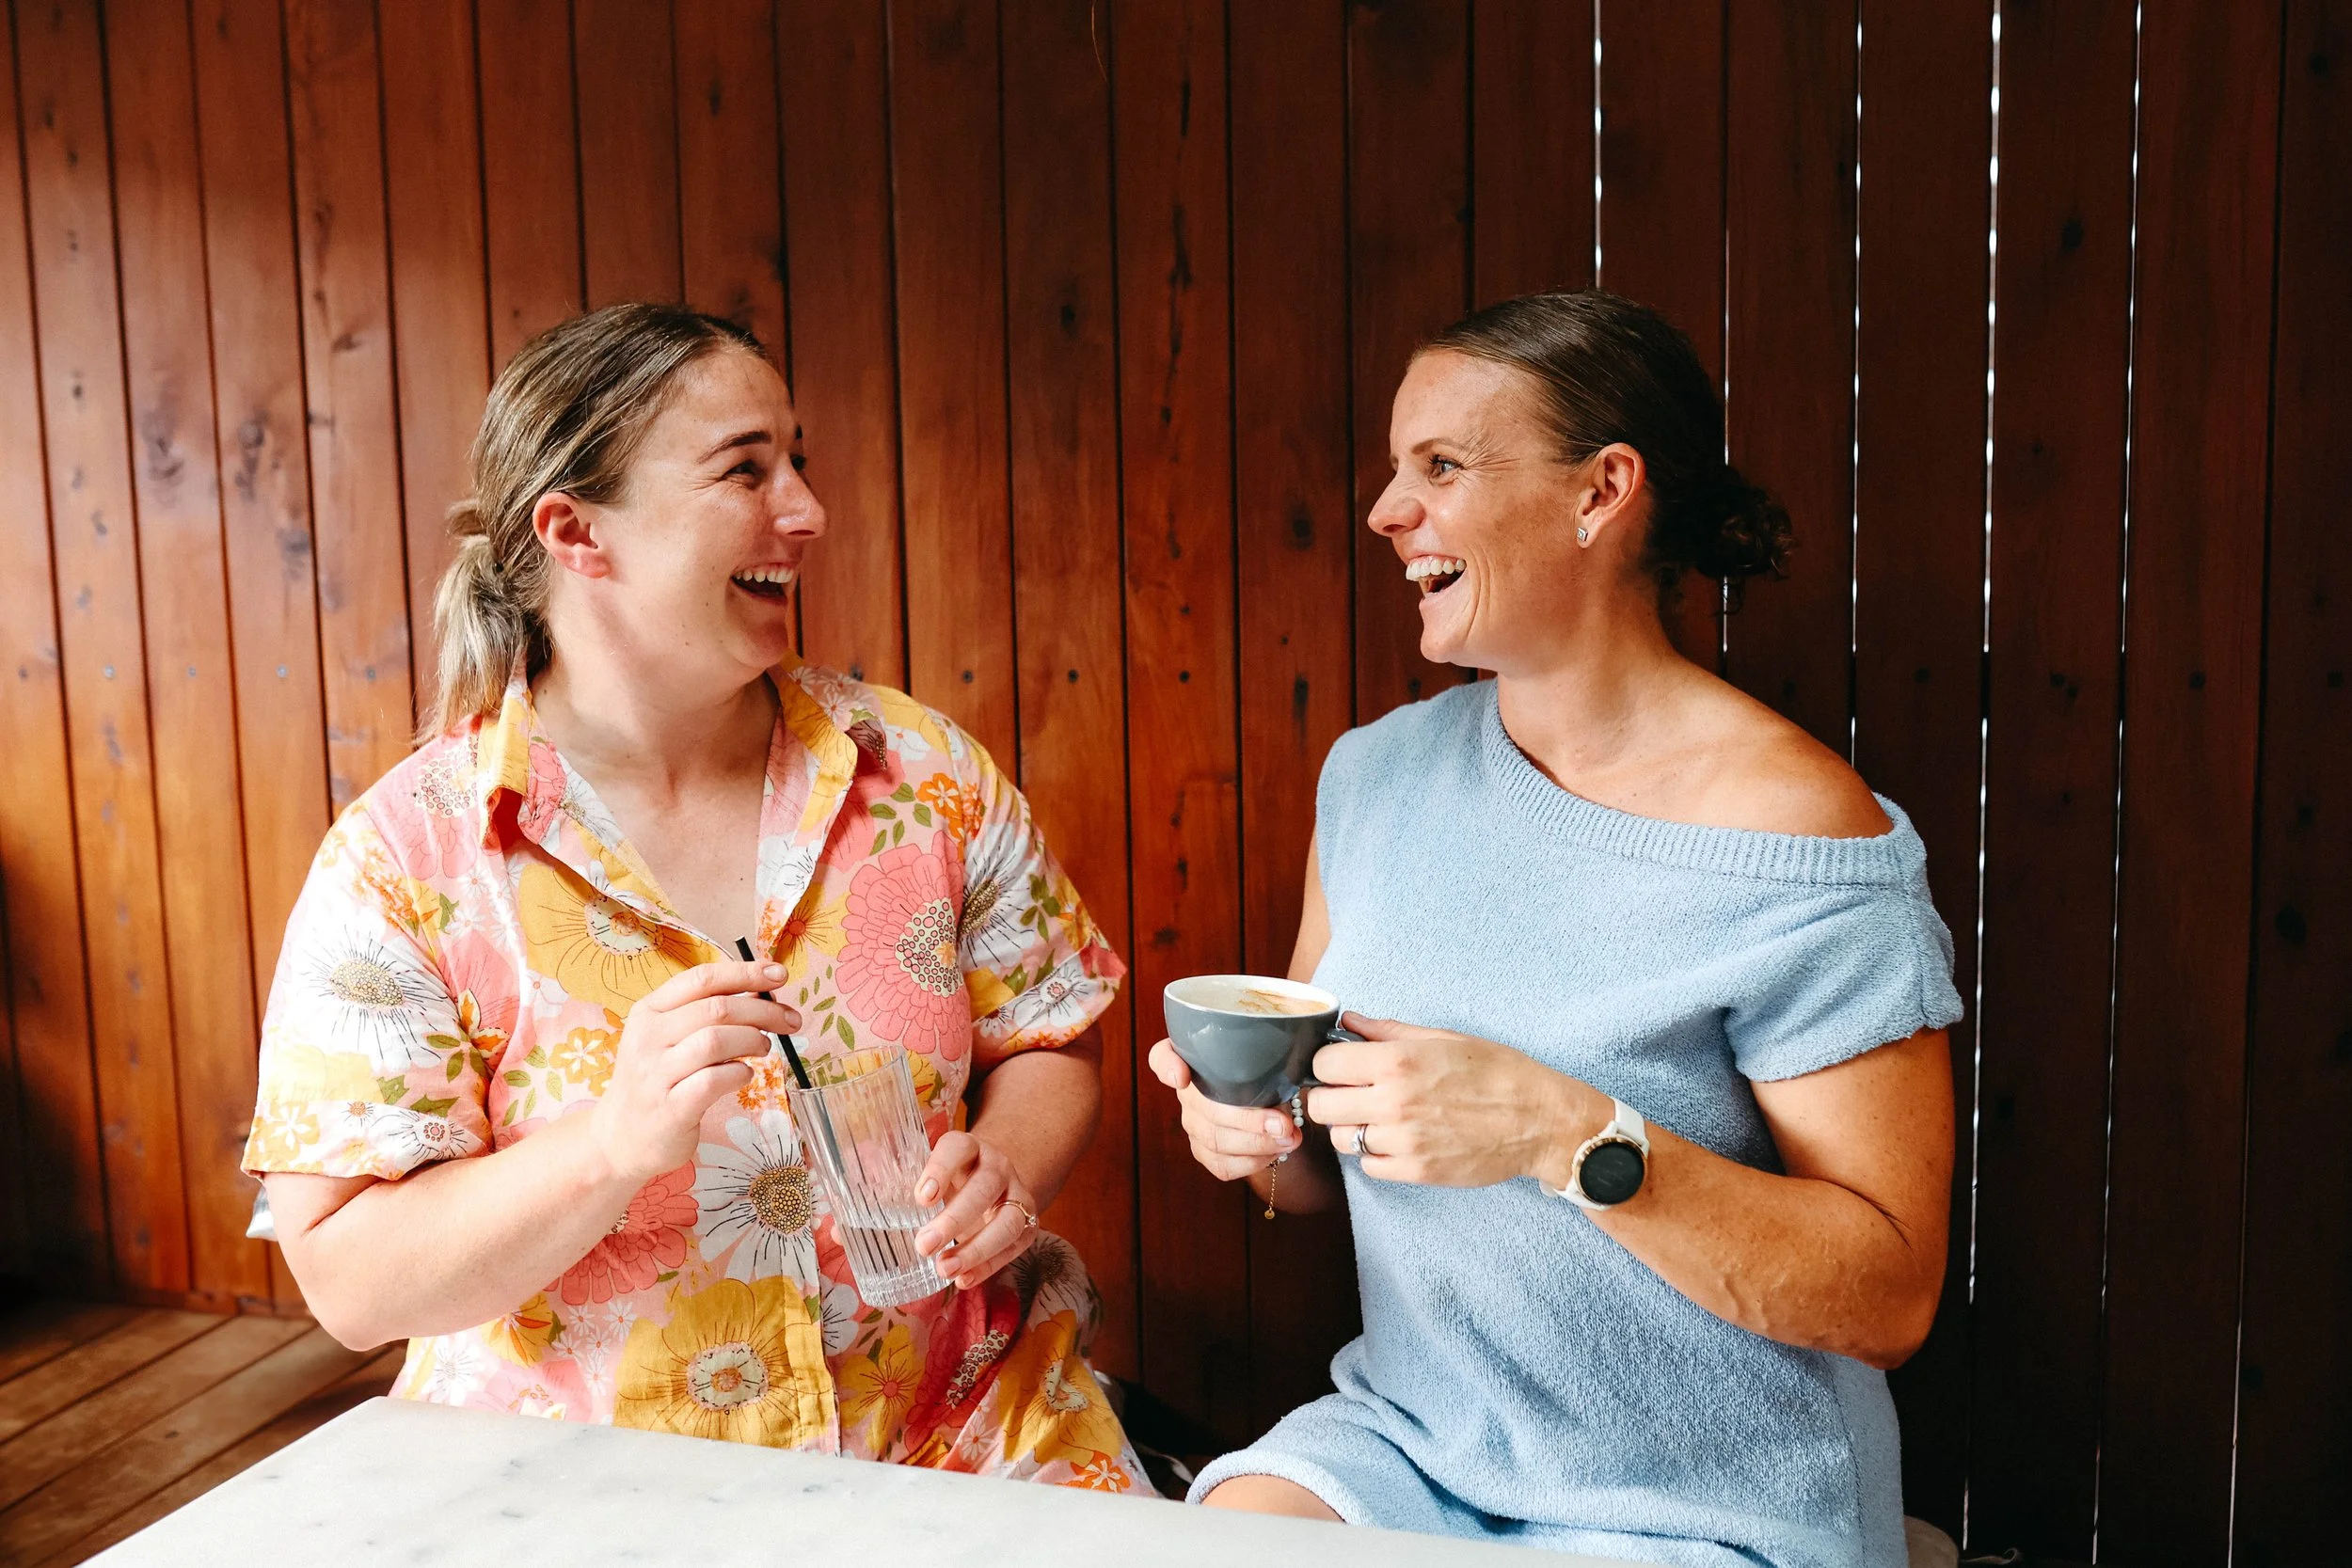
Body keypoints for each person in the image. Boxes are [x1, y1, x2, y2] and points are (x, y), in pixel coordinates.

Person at [247, 303, 1142, 1491]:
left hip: (970, 1436)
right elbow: (352, 1281)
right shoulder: (404, 860)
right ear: (575, 532)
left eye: (796, 458)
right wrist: (609, 1145)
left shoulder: (921, 771)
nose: (807, 510)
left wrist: (1008, 1165)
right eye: (745, 468)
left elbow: (1048, 1031)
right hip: (586, 1484)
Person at [1151, 290, 1963, 1565]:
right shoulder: (1374, 777)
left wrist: (1556, 1128)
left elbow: (1889, 1291)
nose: (1385, 511)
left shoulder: (1806, 833)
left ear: (1601, 492)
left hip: (1708, 1490)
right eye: (1392, 469)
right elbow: (1307, 1166)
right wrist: (1249, 1130)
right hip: (1419, 1441)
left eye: (1442, 466)